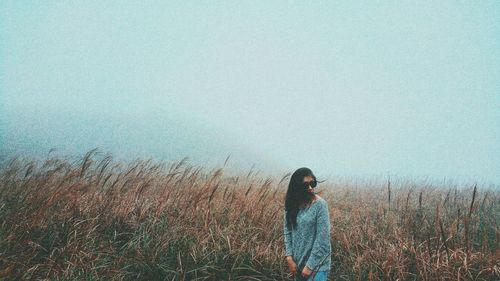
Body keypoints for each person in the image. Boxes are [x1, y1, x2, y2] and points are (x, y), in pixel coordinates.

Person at [283, 167, 332, 281]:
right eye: (305, 185)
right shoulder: (291, 204)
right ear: (296, 187)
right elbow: (287, 231)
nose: (310, 188)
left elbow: (323, 239)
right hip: (298, 264)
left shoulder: (320, 205)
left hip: (318, 266)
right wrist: (289, 258)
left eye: (313, 183)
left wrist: (310, 266)